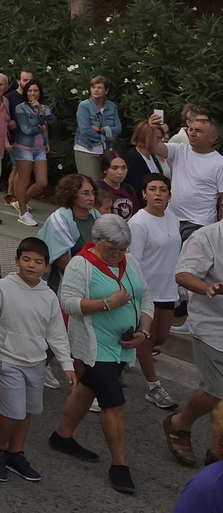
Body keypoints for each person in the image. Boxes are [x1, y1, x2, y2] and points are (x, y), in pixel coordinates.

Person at [49, 214, 152, 495]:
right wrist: (108, 303)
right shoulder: (80, 265)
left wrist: (144, 331)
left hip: (122, 346)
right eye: (112, 249)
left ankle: (62, 436)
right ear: (96, 241)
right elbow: (68, 304)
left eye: (122, 249)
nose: (117, 255)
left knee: (87, 388)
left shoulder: (130, 263)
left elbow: (145, 297)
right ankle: (120, 465)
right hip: (95, 347)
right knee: (113, 402)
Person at [0, 237, 74, 483]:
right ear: (17, 261)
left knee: (27, 411)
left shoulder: (49, 296)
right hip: (5, 358)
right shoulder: (2, 287)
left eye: (38, 262)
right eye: (26, 259)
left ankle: (15, 453)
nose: (31, 265)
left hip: (36, 362)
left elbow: (56, 333)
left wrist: (67, 364)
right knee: (12, 411)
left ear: (46, 267)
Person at [163, 213, 223, 467]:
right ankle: (181, 426)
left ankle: (212, 449)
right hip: (212, 327)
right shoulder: (207, 237)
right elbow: (183, 274)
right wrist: (206, 287)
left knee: (215, 392)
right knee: (216, 391)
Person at [128, 174, 181, 409]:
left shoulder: (173, 218)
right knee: (146, 340)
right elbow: (134, 261)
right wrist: (137, 292)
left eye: (163, 189)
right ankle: (154, 387)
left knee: (160, 338)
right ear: (144, 193)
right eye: (152, 189)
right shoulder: (138, 223)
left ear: (169, 195)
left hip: (168, 289)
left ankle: (117, 360)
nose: (158, 194)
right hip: (147, 290)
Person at [149, 109, 223, 237]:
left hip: (199, 224)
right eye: (191, 129)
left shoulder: (219, 163)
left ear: (213, 137)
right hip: (172, 218)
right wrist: (151, 130)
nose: (192, 134)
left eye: (199, 131)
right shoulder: (179, 150)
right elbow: (153, 147)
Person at [39, 174, 98, 292]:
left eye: (92, 193)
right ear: (72, 195)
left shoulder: (96, 216)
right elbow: (62, 261)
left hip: (94, 278)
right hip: (66, 282)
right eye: (85, 193)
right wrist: (87, 282)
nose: (91, 198)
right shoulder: (58, 219)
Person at [10, 79, 56, 226]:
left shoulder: (43, 107)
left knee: (42, 182)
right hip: (24, 147)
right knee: (24, 181)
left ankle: (21, 201)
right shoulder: (20, 108)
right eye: (29, 91)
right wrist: (41, 125)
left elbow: (52, 120)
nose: (32, 93)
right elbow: (27, 129)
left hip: (39, 148)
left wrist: (42, 111)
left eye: (35, 91)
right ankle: (23, 213)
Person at [73, 77, 123, 179]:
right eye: (93, 87)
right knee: (91, 181)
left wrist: (102, 130)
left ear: (106, 91)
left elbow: (118, 128)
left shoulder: (112, 106)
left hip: (106, 149)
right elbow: (85, 130)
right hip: (87, 148)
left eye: (99, 87)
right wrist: (104, 137)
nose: (95, 90)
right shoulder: (84, 106)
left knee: (105, 183)